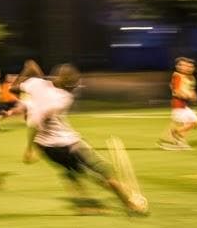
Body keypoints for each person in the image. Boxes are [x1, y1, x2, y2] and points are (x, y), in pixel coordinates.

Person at [11, 60, 148, 214]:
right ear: (69, 85)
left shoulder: (36, 83)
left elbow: (22, 76)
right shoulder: (63, 98)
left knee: (70, 171)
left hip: (45, 147)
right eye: (74, 85)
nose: (75, 88)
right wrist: (29, 147)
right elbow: (36, 122)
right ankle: (131, 204)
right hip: (67, 142)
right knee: (103, 172)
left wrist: (30, 147)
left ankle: (84, 205)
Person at [158, 56, 197, 150]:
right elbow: (176, 91)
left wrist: (193, 95)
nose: (188, 68)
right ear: (178, 67)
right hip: (178, 105)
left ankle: (177, 141)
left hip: (184, 106)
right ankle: (175, 135)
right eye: (184, 66)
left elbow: (191, 90)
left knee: (194, 123)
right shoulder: (177, 75)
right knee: (192, 123)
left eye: (190, 66)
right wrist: (187, 95)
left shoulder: (190, 78)